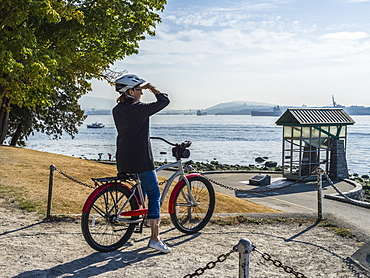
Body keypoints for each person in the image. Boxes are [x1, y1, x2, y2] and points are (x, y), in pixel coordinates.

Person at [112, 74, 171, 253]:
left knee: (142, 189)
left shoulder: (117, 109)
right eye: (139, 90)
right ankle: (155, 238)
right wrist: (152, 88)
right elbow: (164, 101)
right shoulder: (138, 109)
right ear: (130, 91)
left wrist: (142, 88)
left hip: (123, 158)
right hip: (141, 159)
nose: (141, 93)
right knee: (154, 194)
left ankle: (139, 218)